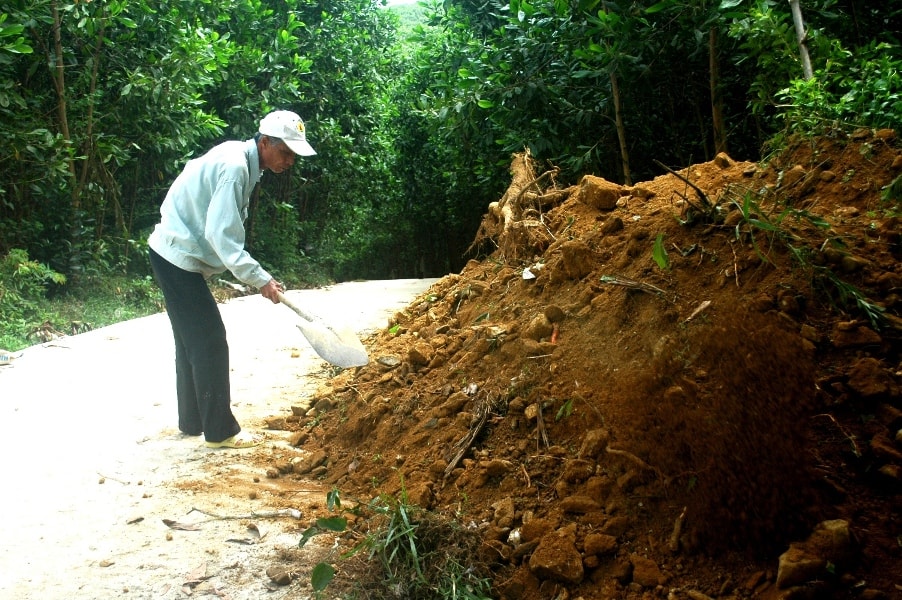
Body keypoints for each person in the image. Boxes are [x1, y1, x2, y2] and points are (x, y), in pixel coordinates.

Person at [148, 110, 316, 449]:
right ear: (265, 142)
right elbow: (221, 235)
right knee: (209, 339)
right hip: (175, 256)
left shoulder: (241, 159)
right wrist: (261, 279)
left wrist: (257, 277)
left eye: (293, 155)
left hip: (174, 253)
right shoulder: (236, 167)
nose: (289, 161)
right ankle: (219, 432)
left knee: (191, 341)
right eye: (285, 152)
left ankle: (193, 421)